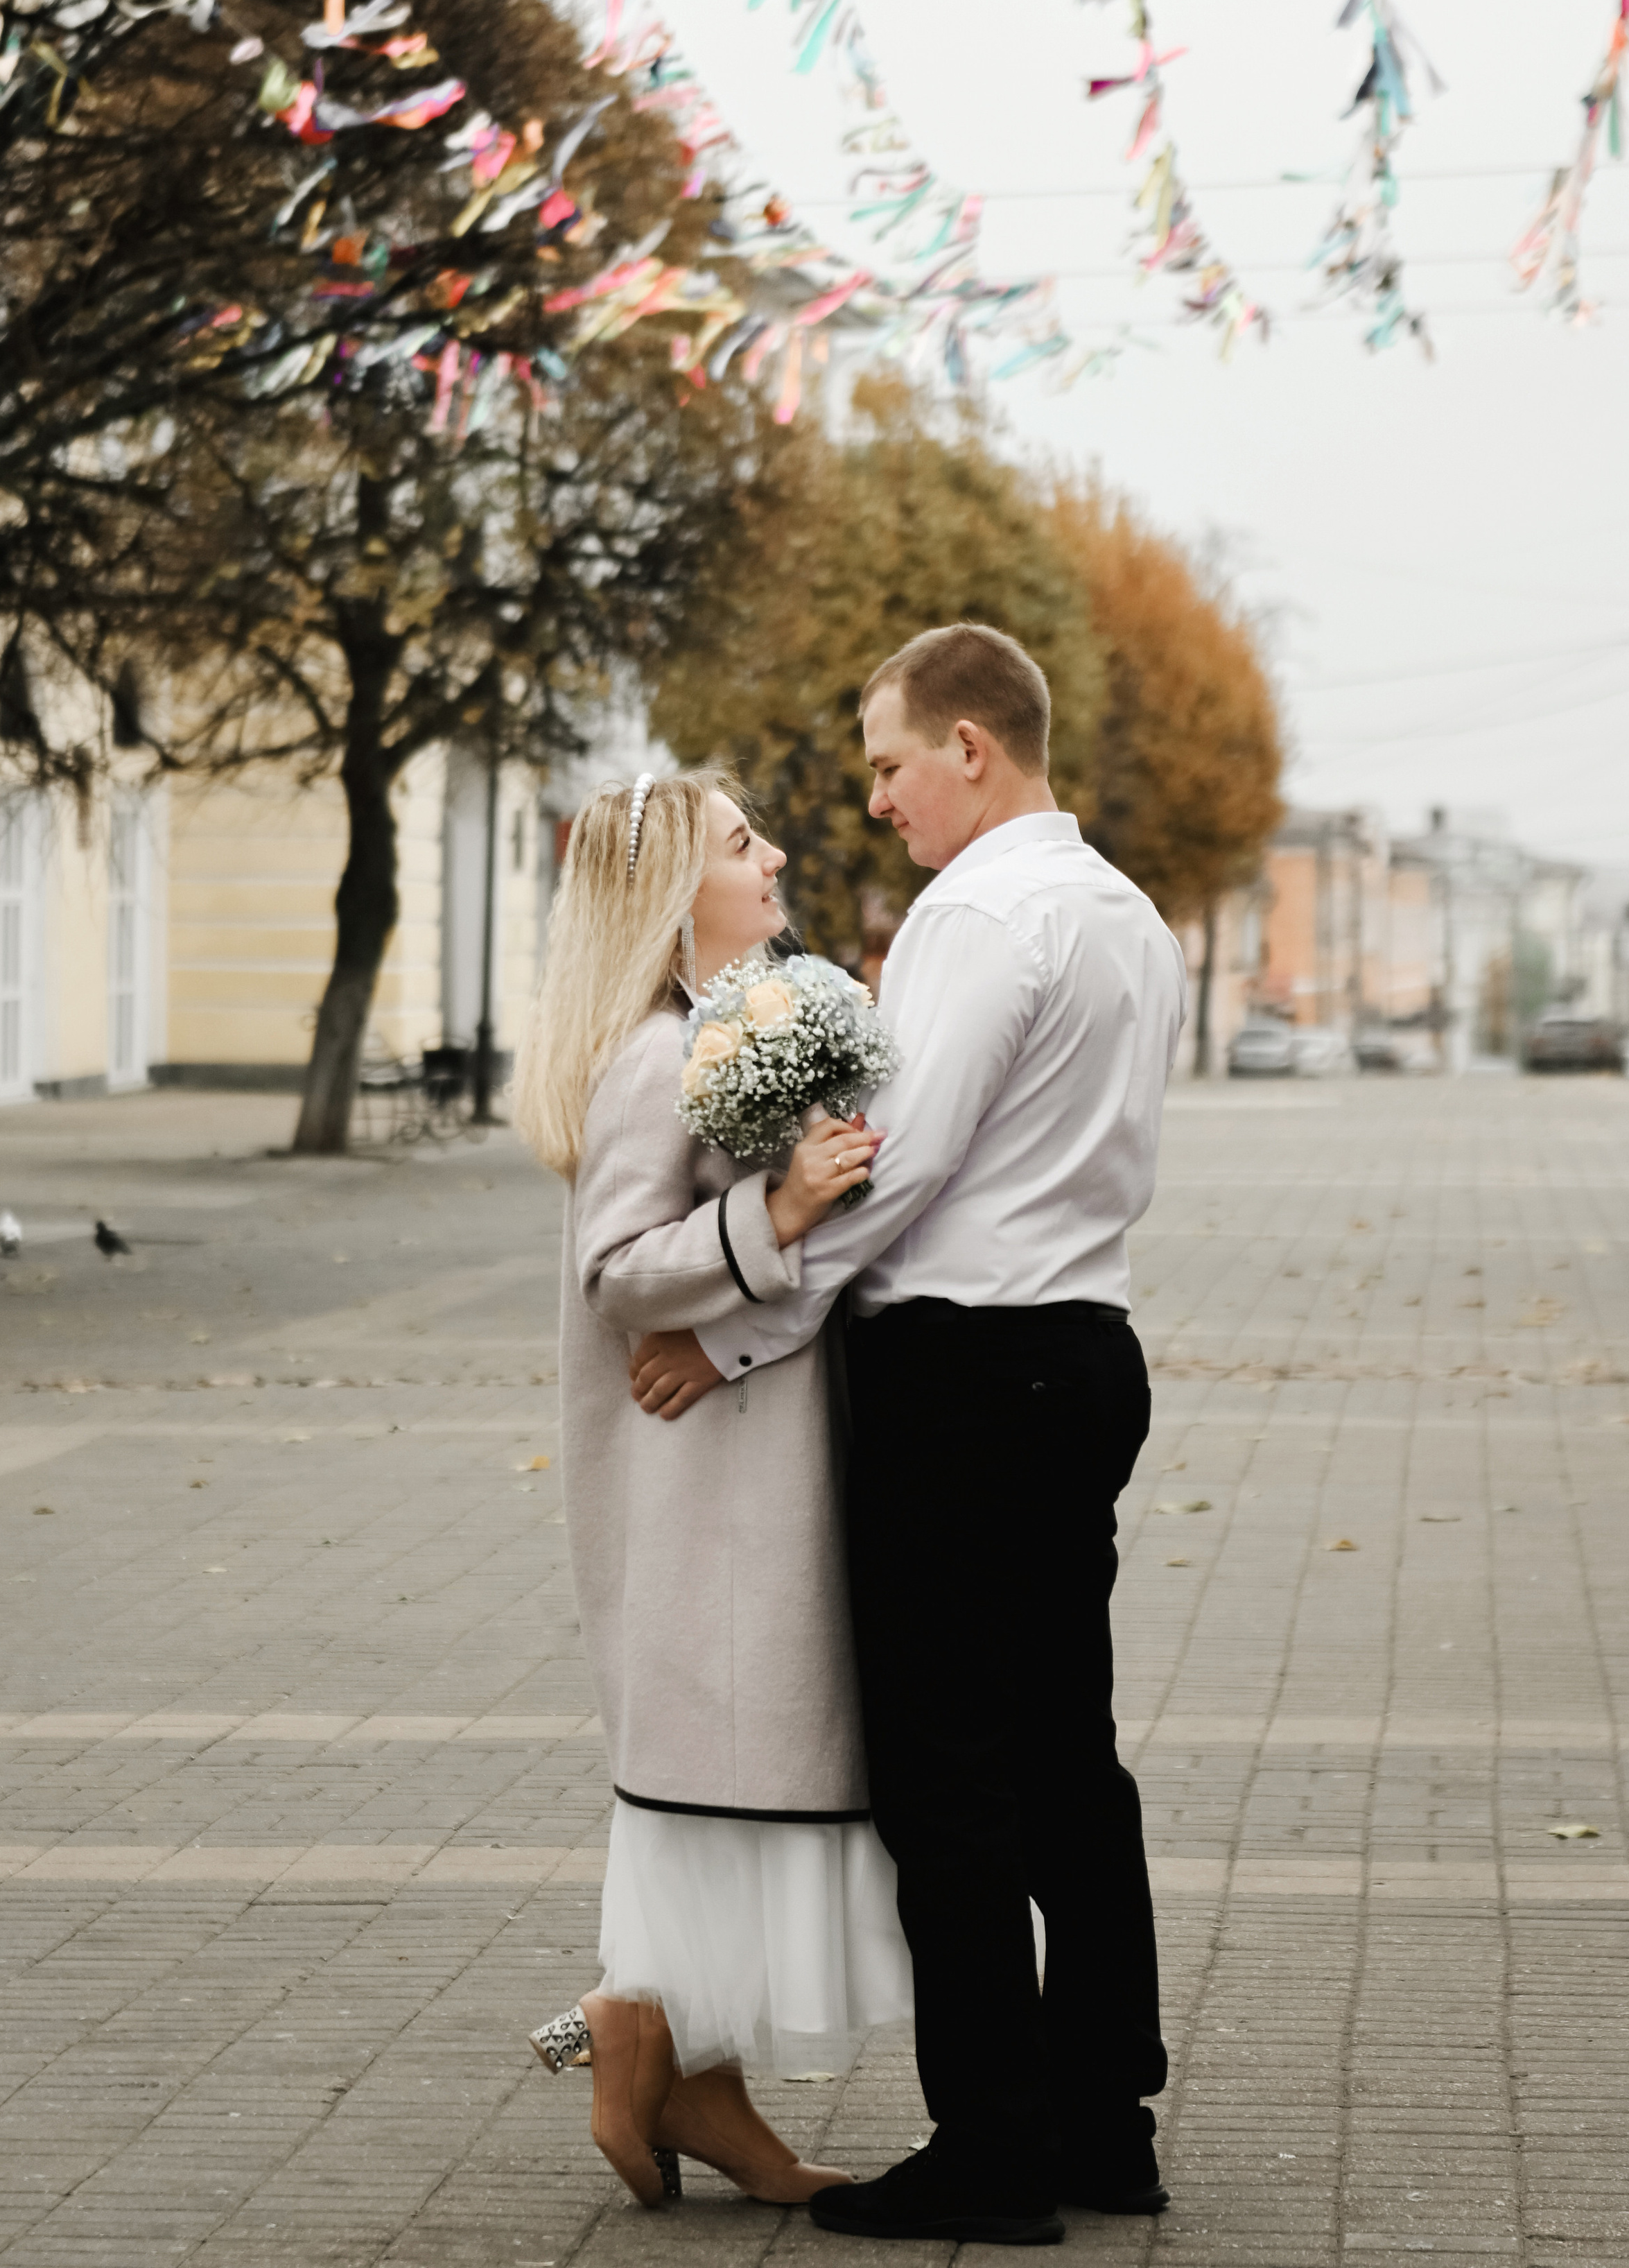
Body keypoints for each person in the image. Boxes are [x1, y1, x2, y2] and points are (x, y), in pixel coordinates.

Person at [629, 625, 1188, 2246]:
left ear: (969, 746)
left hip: (958, 1378)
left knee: (945, 1783)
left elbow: (893, 1168)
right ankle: (1103, 2122)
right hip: (1085, 1353)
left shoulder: (975, 914)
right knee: (1065, 1761)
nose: (871, 799)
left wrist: (733, 1332)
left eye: (885, 763)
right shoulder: (1125, 916)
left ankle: (993, 2150)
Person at [512, 767, 912, 2212]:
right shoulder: (652, 1057)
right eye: (745, 845)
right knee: (718, 1772)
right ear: (676, 891)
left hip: (750, 1461)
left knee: (738, 1778)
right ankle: (639, 2040)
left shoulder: (726, 1030)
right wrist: (779, 1213)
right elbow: (619, 1274)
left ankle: (686, 2067)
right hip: (700, 1491)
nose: (778, 855)